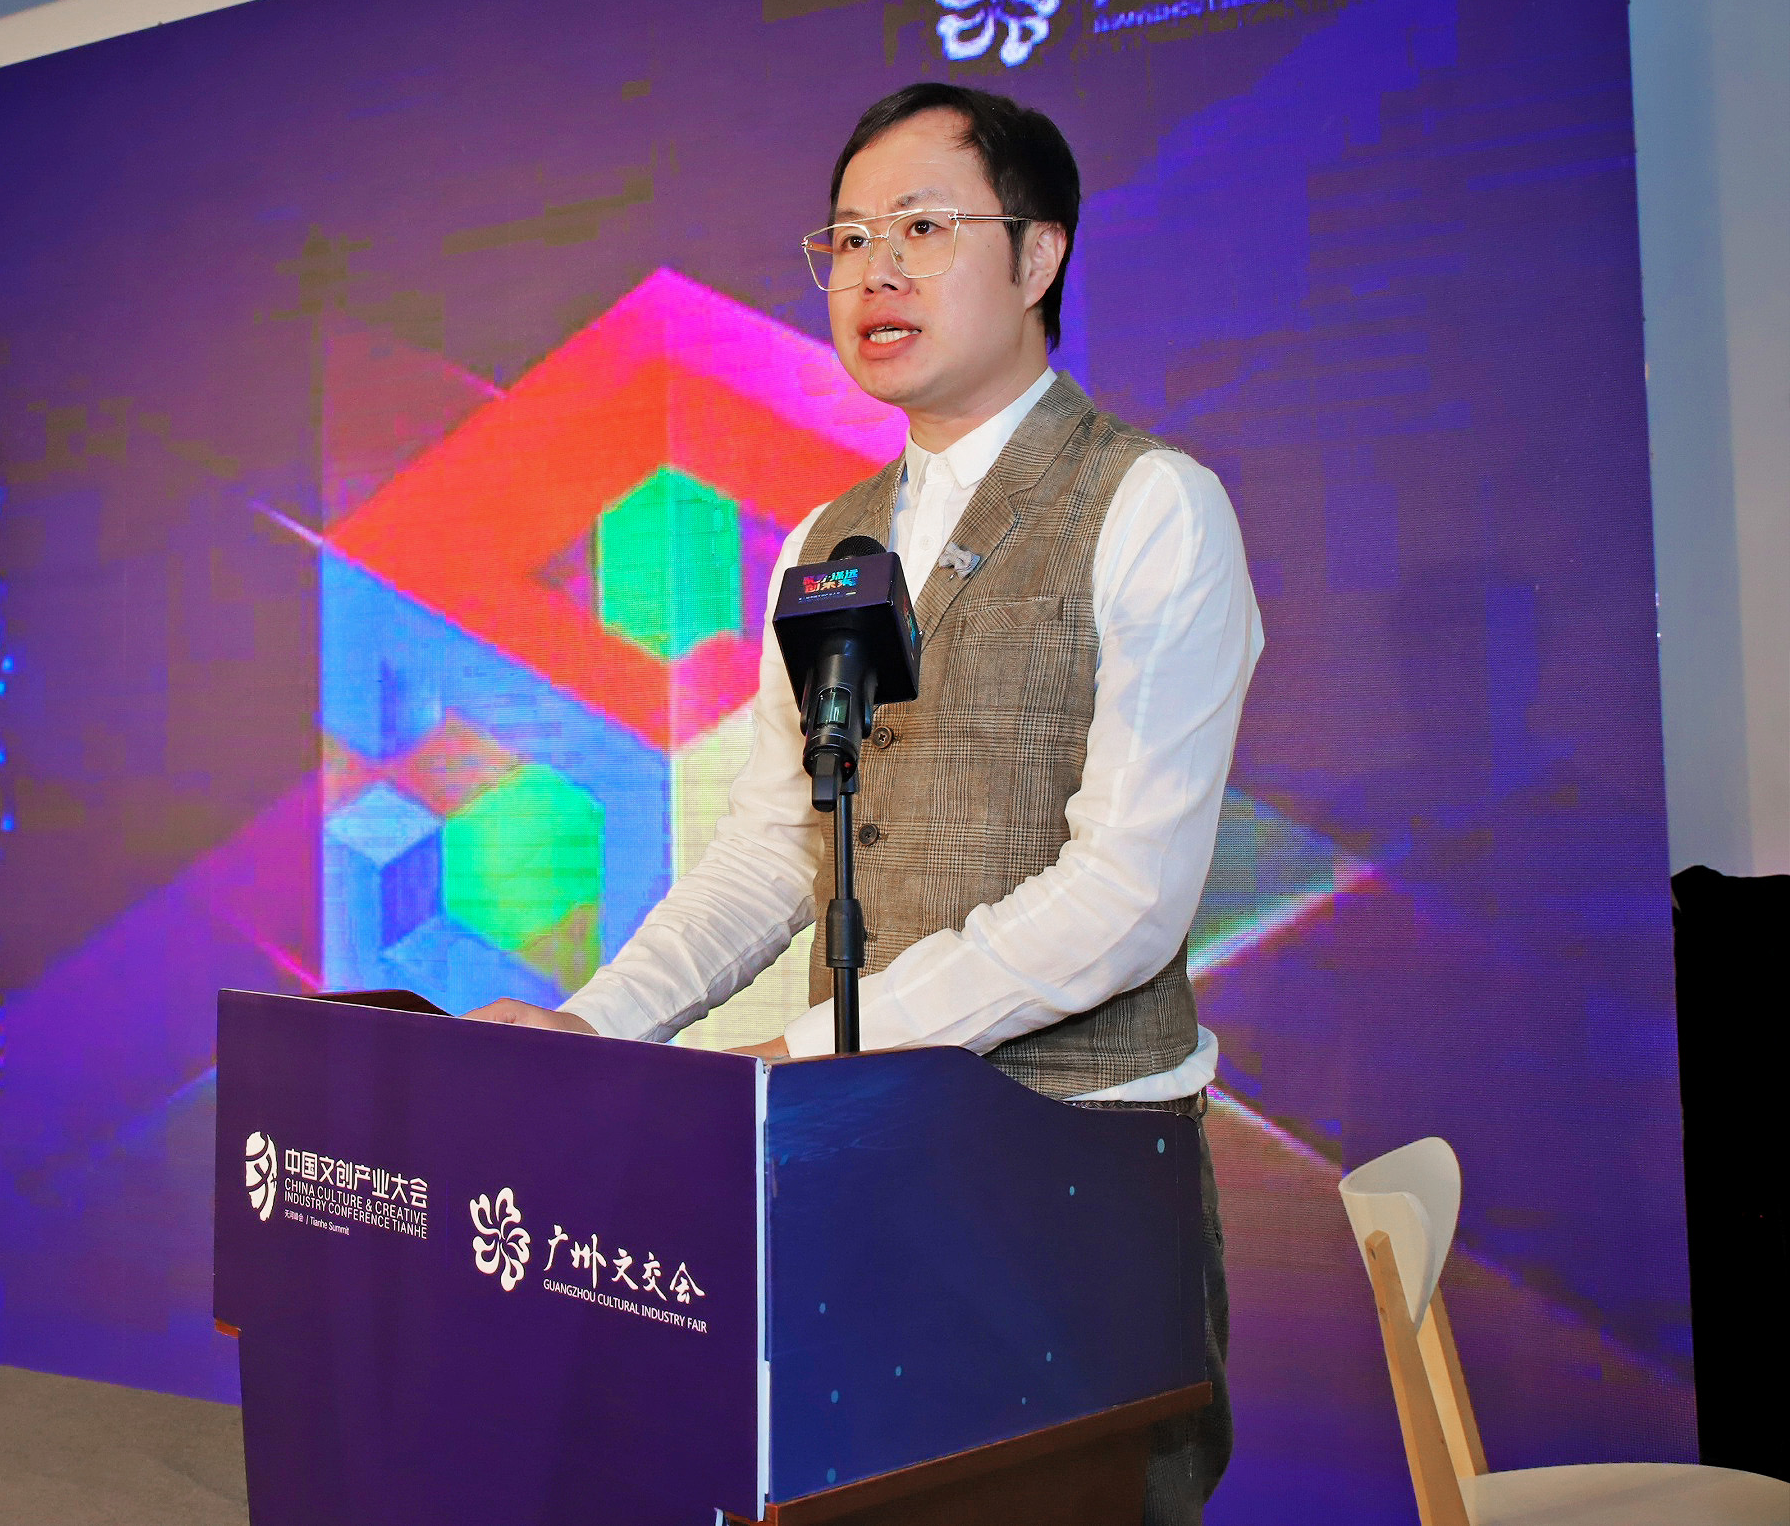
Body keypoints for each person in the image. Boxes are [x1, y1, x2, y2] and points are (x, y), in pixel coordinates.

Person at [467, 81, 1261, 1522]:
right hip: (862, 1162)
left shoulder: (1152, 505)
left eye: (922, 227)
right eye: (845, 239)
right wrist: (597, 1029)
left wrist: (822, 1052)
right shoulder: (827, 543)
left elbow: (1130, 898)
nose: (874, 269)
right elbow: (777, 848)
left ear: (1038, 254)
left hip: (1072, 1167)